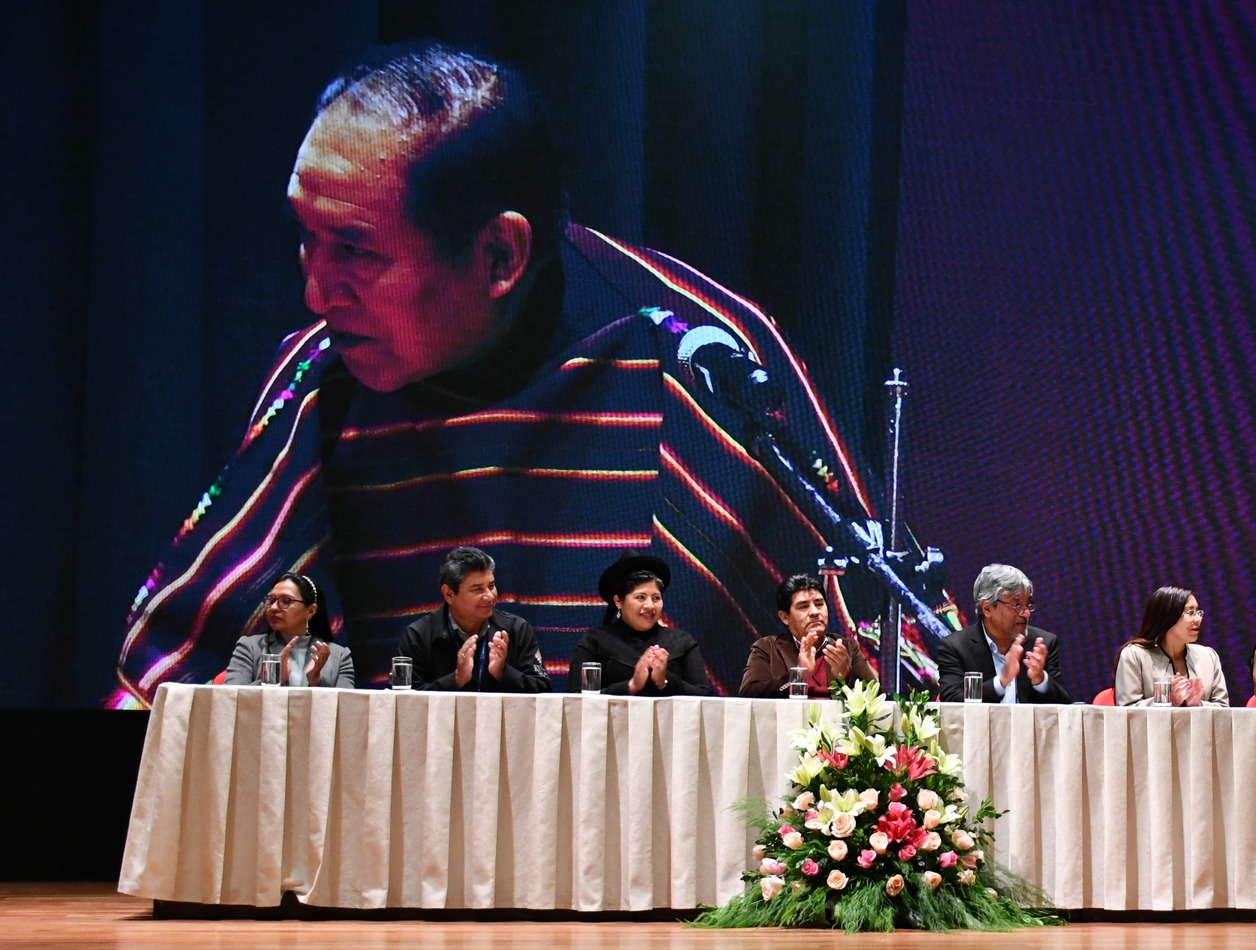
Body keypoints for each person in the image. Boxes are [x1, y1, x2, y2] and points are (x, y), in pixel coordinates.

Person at [111, 44, 954, 706]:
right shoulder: (326, 377)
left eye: (357, 251)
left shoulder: (699, 350)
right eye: (308, 237)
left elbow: (883, 649)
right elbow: (176, 679)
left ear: (500, 254)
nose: (315, 289)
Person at [395, 546, 551, 692]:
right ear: (449, 594)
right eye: (477, 589)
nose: (489, 596)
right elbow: (403, 702)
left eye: (491, 586)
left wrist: (504, 673)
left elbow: (544, 689)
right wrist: (455, 680)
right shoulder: (418, 636)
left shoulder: (516, 629)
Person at [570, 554, 712, 696]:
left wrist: (664, 681)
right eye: (640, 597)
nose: (650, 605)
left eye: (656, 598)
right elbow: (577, 699)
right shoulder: (594, 641)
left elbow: (703, 695)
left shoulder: (681, 642)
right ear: (618, 601)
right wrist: (632, 685)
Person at [932, 565, 1072, 704]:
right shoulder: (956, 647)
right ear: (987, 608)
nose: (1026, 613)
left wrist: (1040, 679)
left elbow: (1065, 709)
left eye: (1027, 604)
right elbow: (952, 702)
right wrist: (1002, 681)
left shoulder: (1042, 644)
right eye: (1016, 605)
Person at [737, 573, 877, 697]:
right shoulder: (767, 648)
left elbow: (877, 696)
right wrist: (799, 676)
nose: (815, 612)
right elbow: (749, 693)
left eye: (819, 604)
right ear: (785, 617)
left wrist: (846, 675)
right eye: (803, 606)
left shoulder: (847, 647)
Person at [221, 573, 354, 687]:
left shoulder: (339, 656)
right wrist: (273, 679)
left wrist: (317, 682)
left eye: (286, 601)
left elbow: (347, 709)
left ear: (310, 611)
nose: (273, 608)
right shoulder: (249, 647)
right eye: (271, 600)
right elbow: (232, 698)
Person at [1112, 586, 1229, 706]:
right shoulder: (1134, 655)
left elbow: (1224, 709)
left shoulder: (1209, 656)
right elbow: (1126, 712)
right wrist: (1166, 700)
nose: (1198, 619)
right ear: (1167, 616)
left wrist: (1197, 705)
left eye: (1198, 612)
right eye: (1190, 612)